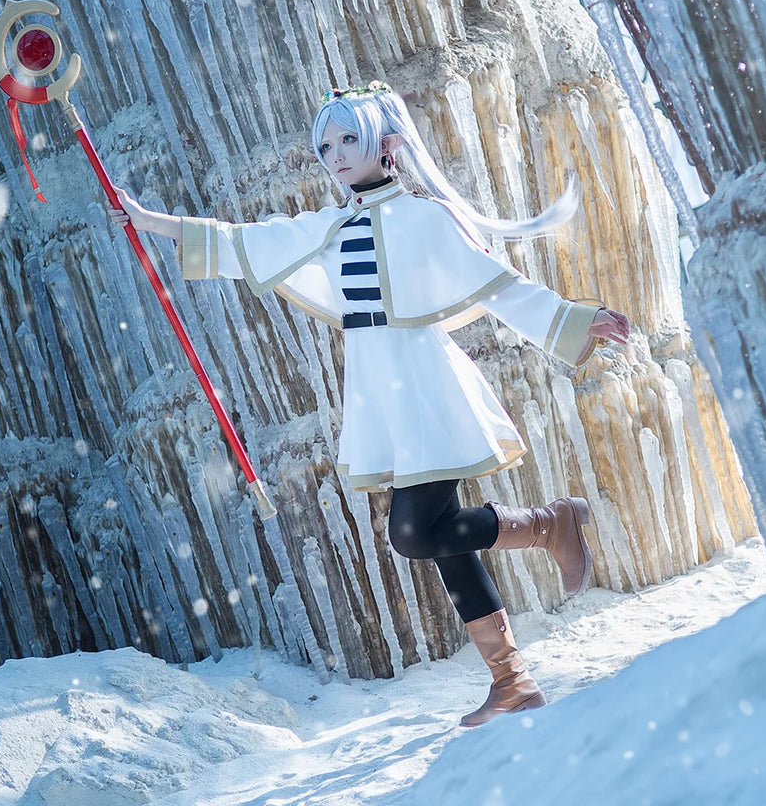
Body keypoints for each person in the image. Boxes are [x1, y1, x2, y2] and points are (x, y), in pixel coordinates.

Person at [108, 81, 630, 727]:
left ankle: (549, 525)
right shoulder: (331, 226)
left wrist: (573, 319)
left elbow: (499, 287)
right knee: (441, 542)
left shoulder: (425, 216)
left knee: (414, 535)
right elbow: (243, 242)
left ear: (386, 144)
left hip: (424, 387)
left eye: (347, 138)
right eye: (325, 145)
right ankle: (512, 681)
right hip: (379, 392)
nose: (334, 154)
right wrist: (149, 220)